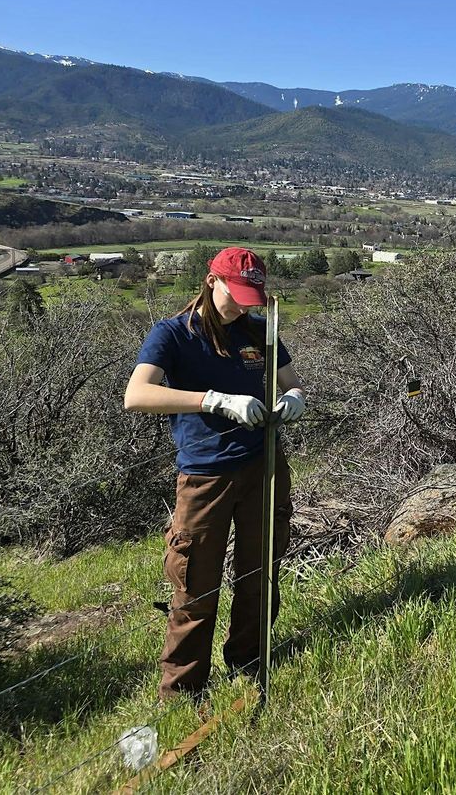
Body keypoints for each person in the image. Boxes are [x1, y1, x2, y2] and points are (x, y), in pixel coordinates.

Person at [123, 247, 307, 701]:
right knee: (195, 581)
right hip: (206, 475)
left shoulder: (261, 331)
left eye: (251, 297)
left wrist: (296, 398)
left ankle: (250, 661)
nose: (243, 306)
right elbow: (137, 395)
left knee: (260, 570)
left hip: (263, 466)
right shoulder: (173, 334)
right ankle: (183, 691)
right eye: (236, 294)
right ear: (212, 282)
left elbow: (290, 381)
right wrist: (212, 400)